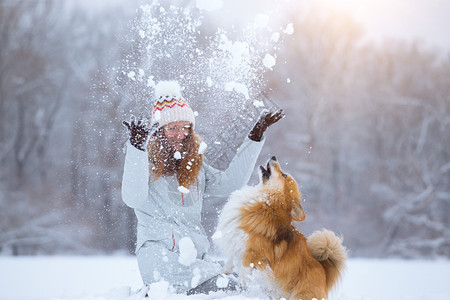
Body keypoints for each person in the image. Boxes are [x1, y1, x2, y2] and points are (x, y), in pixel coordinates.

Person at [121, 81, 283, 294]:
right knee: (237, 289)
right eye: (173, 128)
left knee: (247, 286)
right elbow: (132, 198)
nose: (181, 134)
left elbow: (231, 185)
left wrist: (255, 135)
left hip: (197, 261)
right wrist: (136, 148)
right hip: (163, 261)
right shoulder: (144, 164)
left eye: (185, 127)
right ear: (159, 131)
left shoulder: (195, 167)